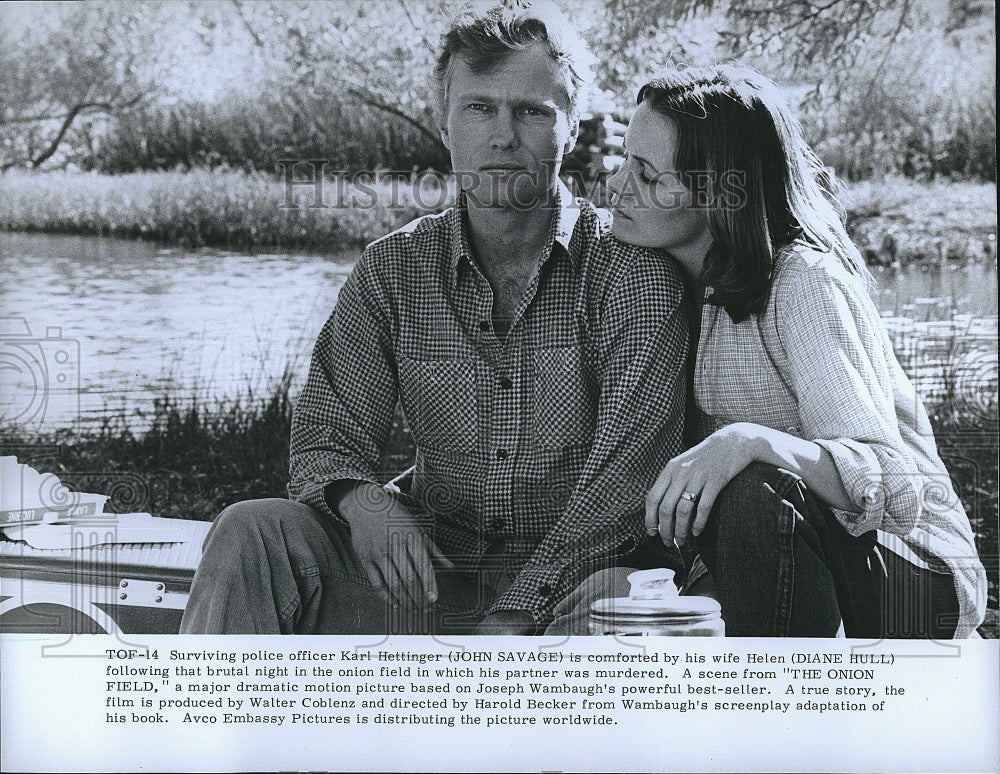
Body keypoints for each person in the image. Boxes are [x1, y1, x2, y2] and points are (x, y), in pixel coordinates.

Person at [180, 1, 689, 635]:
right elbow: (326, 430)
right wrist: (361, 501)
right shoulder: (392, 270)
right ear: (445, 124)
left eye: (532, 111)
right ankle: (213, 729)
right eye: (479, 108)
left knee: (621, 611)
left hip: (578, 588)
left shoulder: (633, 276)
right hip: (429, 575)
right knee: (248, 533)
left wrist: (513, 612)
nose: (504, 135)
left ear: (573, 125)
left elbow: (622, 487)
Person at [606, 64, 987, 638]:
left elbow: (890, 484)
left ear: (717, 191)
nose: (615, 185)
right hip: (779, 566)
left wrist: (749, 441)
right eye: (624, 160)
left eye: (645, 172)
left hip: (915, 578)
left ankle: (785, 715)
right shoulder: (661, 282)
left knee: (752, 489)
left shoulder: (803, 281)